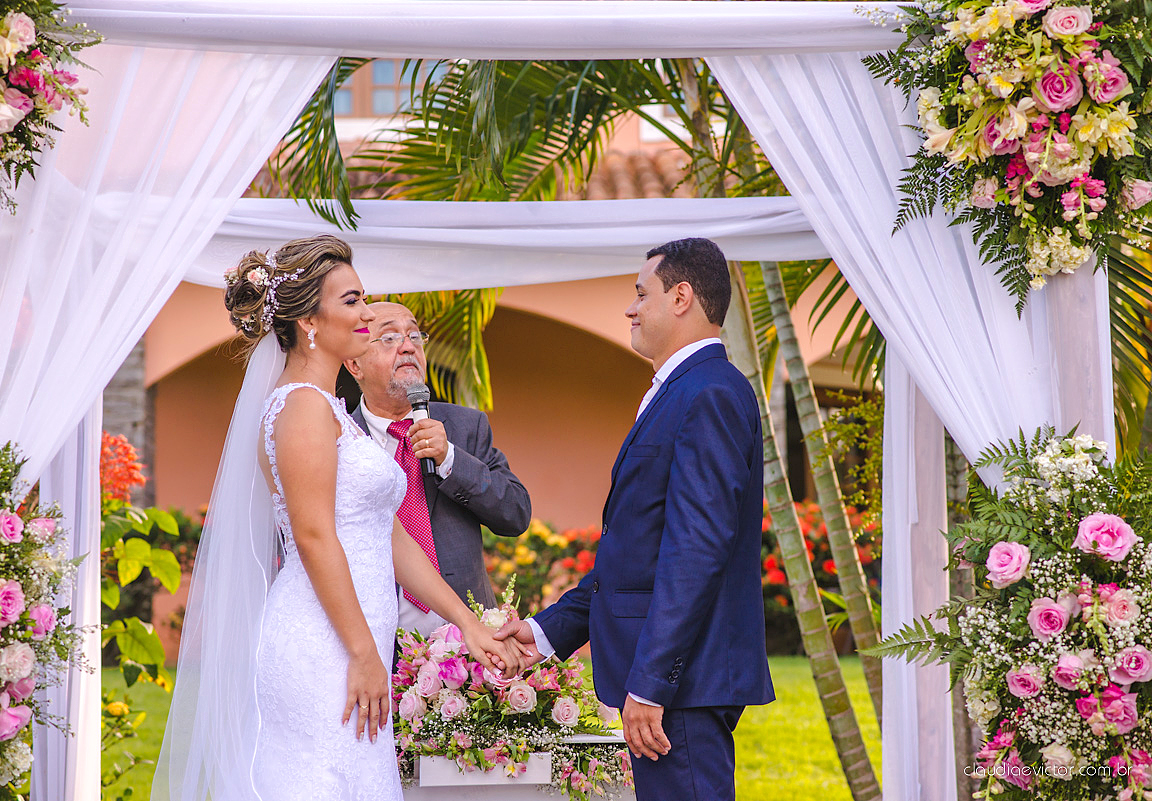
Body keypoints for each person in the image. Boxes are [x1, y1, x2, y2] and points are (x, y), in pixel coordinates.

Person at [151, 235, 521, 801]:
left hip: (349, 641)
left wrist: (466, 623)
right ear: (310, 324)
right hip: (323, 645)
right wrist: (363, 652)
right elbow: (314, 536)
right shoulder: (300, 407)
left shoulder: (328, 410)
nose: (367, 312)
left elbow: (389, 533)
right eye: (352, 300)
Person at [495, 237, 775, 801]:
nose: (630, 308)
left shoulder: (710, 393)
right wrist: (549, 631)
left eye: (640, 293)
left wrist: (651, 684)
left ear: (682, 297)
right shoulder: (682, 391)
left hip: (683, 685)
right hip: (676, 682)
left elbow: (696, 549)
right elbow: (639, 553)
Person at [345, 301, 531, 638]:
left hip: (465, 644)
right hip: (377, 642)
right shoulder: (340, 436)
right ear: (354, 364)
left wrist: (450, 460)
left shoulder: (465, 426)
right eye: (389, 338)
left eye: (415, 335)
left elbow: (515, 513)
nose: (408, 346)